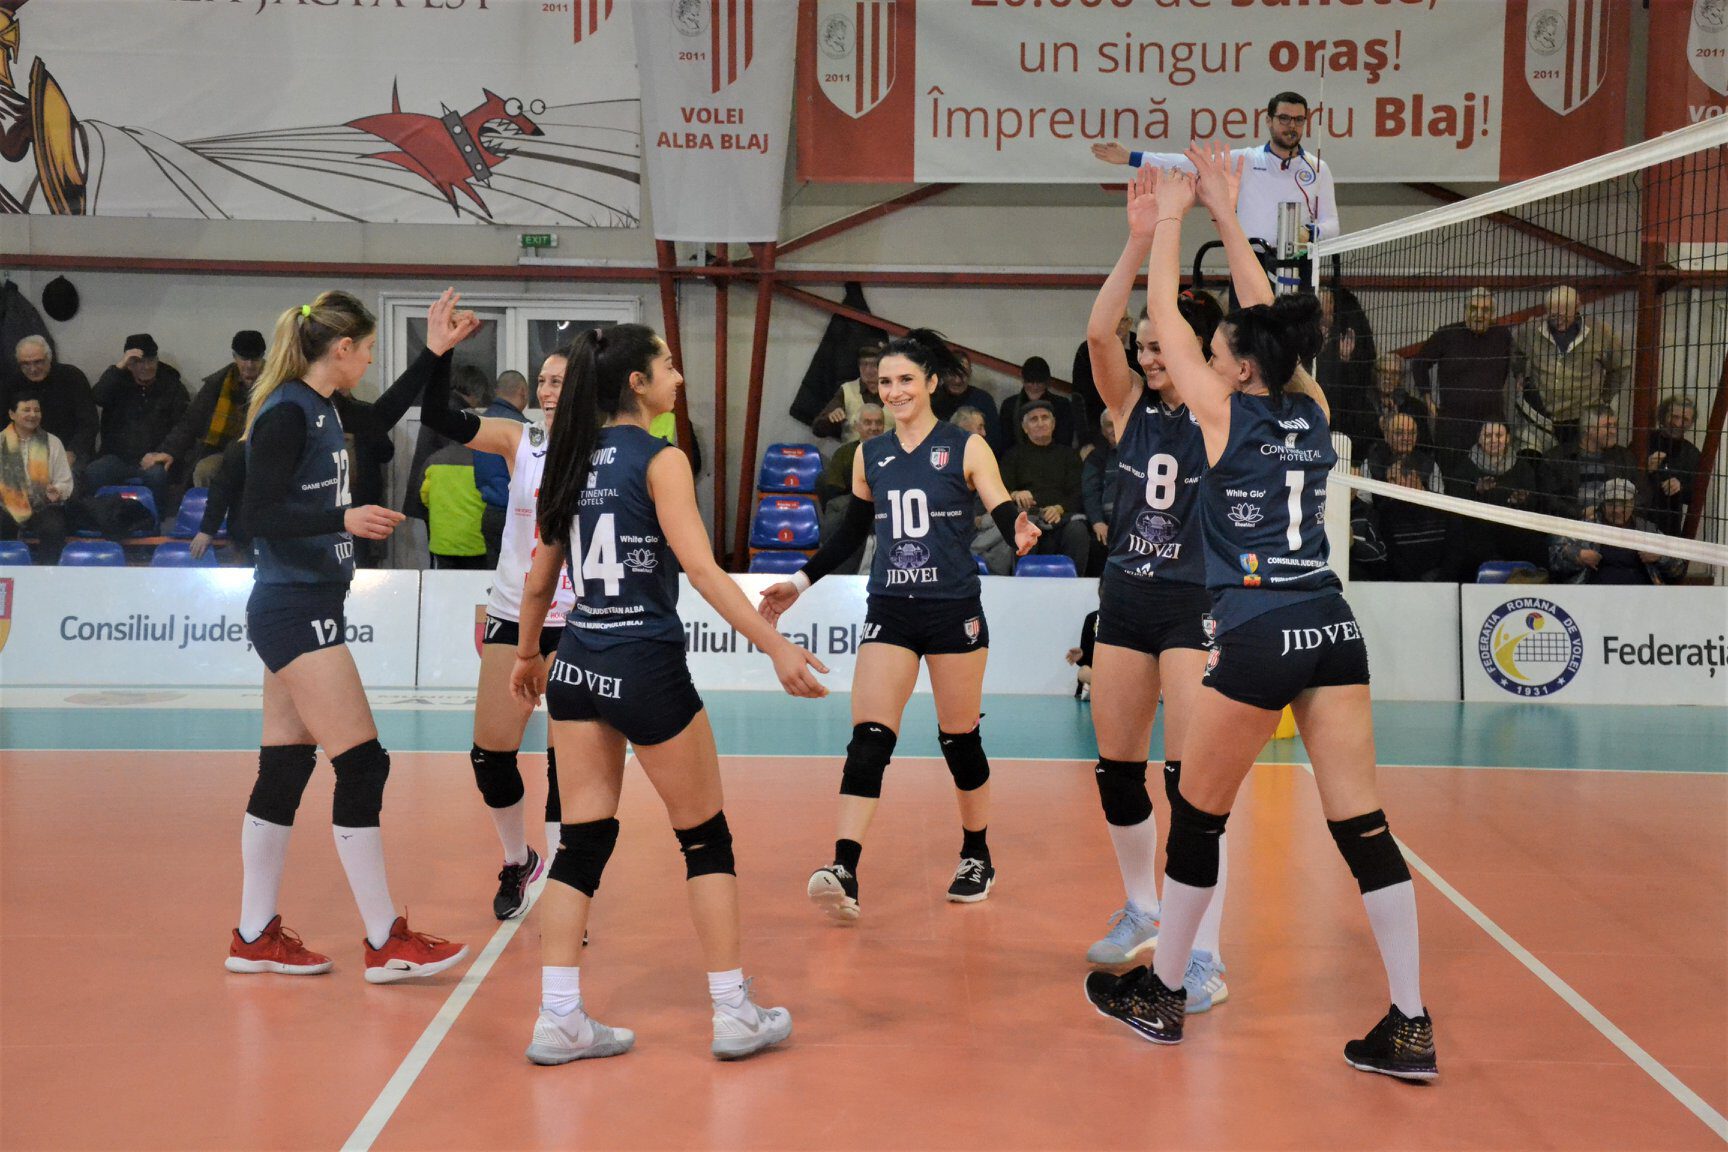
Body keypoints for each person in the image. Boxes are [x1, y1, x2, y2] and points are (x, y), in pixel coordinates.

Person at [1085, 148, 1435, 1082]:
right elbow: (1271, 320)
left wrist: (1171, 216)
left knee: (1197, 820)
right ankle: (1410, 1021)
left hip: (1256, 627)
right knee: (1364, 828)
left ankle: (1163, 994)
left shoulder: (1221, 414)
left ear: (1237, 370)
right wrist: (1230, 216)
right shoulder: (1311, 408)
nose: (1203, 358)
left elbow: (1167, 321)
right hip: (1332, 624)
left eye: (1218, 355)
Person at [510, 324, 826, 1064]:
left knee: (580, 843)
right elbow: (704, 572)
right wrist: (776, 645)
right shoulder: (662, 459)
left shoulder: (570, 455)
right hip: (644, 664)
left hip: (577, 664)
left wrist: (527, 654)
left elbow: (539, 578)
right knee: (705, 837)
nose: (678, 377)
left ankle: (559, 1018)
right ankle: (733, 1012)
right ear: (638, 384)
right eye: (668, 365)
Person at [224, 289, 476, 984]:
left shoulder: (327, 406)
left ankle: (253, 936)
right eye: (366, 350)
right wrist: (343, 518)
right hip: (292, 606)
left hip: (301, 602)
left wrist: (436, 352)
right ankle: (384, 940)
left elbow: (386, 413)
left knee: (284, 767)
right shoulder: (285, 412)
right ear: (340, 350)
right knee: (364, 765)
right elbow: (256, 515)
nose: (368, 361)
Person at [759, 329, 1040, 922]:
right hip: (890, 608)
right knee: (869, 738)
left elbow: (999, 503)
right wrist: (799, 583)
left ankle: (977, 854)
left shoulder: (966, 447)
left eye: (906, 379)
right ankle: (844, 867)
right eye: (886, 382)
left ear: (931, 382)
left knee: (959, 739)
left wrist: (1016, 526)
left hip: (953, 611)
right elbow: (849, 534)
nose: (894, 391)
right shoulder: (871, 455)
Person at [1078, 165, 1229, 1012]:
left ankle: (1203, 953)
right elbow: (1098, 333)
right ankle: (1142, 905)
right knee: (1116, 768)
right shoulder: (1129, 407)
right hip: (1127, 599)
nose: (1146, 353)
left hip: (1195, 602)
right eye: (1144, 347)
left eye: (1161, 343)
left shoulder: (1219, 409)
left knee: (1193, 788)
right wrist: (1138, 240)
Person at [416, 349, 574, 920]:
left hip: (579, 620)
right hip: (514, 614)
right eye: (542, 382)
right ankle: (517, 859)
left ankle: (564, 890)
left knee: (567, 765)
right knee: (489, 756)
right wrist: (439, 353)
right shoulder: (520, 441)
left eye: (560, 381)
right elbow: (437, 415)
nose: (548, 391)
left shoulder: (607, 452)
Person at [1092, 92, 1340, 266]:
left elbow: (1332, 225)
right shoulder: (1248, 159)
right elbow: (1189, 162)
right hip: (1251, 261)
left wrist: (1310, 232)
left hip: (1301, 264)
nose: (1291, 126)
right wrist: (1131, 157)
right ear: (1269, 120)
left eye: (1298, 119)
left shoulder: (1318, 168)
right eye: (1284, 118)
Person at [143, 329, 265, 491]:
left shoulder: (277, 384)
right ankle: (210, 508)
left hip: (262, 452)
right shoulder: (218, 384)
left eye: (255, 359)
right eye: (244, 358)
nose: (249, 365)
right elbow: (191, 422)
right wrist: (168, 451)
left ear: (262, 357)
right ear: (235, 357)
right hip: (222, 451)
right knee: (204, 471)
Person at [88, 334, 190, 518]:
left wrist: (162, 453)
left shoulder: (172, 386)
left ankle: (156, 521)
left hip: (155, 457)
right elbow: (97, 397)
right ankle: (100, 519)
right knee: (94, 472)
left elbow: (183, 427)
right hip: (117, 457)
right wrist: (118, 367)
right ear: (129, 364)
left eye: (151, 361)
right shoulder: (117, 382)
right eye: (139, 362)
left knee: (157, 476)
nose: (147, 367)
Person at [1511, 287, 1625, 451]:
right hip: (1542, 416)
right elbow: (1516, 353)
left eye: (1563, 316)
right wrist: (1521, 375)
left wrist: (1605, 397)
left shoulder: (1600, 332)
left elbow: (1621, 366)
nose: (1558, 321)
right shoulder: (1530, 330)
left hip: (1582, 418)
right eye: (1553, 316)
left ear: (1577, 307)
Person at [1410, 289, 1515, 462]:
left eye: (1485, 310)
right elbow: (1419, 364)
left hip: (1491, 425)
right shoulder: (1446, 334)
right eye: (1473, 308)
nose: (1478, 315)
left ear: (1493, 314)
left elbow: (1505, 371)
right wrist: (1429, 401)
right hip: (1453, 425)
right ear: (1465, 310)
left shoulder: (1503, 335)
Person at [1442, 421, 1546, 577]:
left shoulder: (1523, 468)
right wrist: (1477, 492)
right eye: (1488, 435)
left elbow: (1534, 502)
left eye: (1499, 435)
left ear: (1508, 438)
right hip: (1476, 536)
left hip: (1514, 533)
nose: (1494, 440)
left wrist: (1520, 501)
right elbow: (1455, 503)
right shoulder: (1464, 467)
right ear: (1479, 438)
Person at [1000, 400, 1090, 574]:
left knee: (1078, 531)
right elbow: (1000, 490)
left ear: (1053, 424)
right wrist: (1015, 494)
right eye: (1034, 419)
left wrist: (1059, 508)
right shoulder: (1012, 456)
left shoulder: (1069, 455)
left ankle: (1075, 586)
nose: (1040, 423)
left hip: (1061, 518)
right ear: (1025, 428)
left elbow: (1079, 492)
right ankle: (1022, 585)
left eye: (1045, 418)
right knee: (1024, 532)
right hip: (1029, 517)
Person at [1358, 413, 1448, 581]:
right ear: (1386, 435)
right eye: (1399, 433)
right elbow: (1364, 504)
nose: (1406, 438)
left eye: (1411, 433)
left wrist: (1422, 492)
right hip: (1385, 539)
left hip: (1423, 538)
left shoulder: (1429, 464)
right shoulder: (1371, 463)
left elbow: (1441, 503)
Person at [1550, 477, 1687, 585]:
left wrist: (1660, 557)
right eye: (1611, 504)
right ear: (1602, 505)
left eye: (1624, 504)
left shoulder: (1647, 530)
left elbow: (1679, 568)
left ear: (1633, 504)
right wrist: (1578, 556)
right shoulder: (1586, 528)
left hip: (1642, 599)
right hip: (1594, 597)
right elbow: (1554, 557)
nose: (1618, 510)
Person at [1, 390, 74, 561]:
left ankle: (47, 572)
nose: (33, 415)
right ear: (12, 414)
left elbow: (64, 481)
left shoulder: (53, 442)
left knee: (54, 527)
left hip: (43, 504)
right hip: (6, 505)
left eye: (37, 410)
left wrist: (57, 491)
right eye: (26, 410)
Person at [9, 335, 96, 478]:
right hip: (25, 452)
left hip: (70, 451)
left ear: (49, 358)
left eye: (38, 362)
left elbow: (88, 424)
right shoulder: (13, 383)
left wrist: (71, 453)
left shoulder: (72, 377)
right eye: (25, 364)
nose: (32, 369)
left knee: (64, 480)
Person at [1537, 404, 1641, 518]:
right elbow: (1547, 498)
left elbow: (1642, 494)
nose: (1613, 431)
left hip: (1614, 522)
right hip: (1572, 522)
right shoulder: (1557, 457)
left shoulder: (1624, 457)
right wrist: (1579, 513)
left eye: (1615, 426)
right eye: (1607, 426)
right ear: (1588, 429)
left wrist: (1617, 513)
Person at [474, 369, 532, 567]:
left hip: (490, 514)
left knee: (494, 576)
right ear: (523, 391)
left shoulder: (479, 424)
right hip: (519, 516)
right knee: (521, 576)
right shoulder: (524, 429)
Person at [1646, 396, 1702, 536]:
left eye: (1685, 419)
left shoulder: (1692, 453)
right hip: (1639, 522)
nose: (1677, 423)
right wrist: (1645, 470)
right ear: (1663, 416)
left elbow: (1696, 494)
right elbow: (1625, 479)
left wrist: (1680, 487)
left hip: (1669, 527)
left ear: (1691, 423)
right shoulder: (1644, 442)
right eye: (1674, 417)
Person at [930, 348, 1004, 452]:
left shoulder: (983, 400)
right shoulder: (932, 399)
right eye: (952, 373)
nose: (957, 380)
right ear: (943, 373)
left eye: (963, 374)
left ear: (970, 373)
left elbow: (994, 443)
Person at [998, 356, 1075, 451]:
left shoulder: (1062, 405)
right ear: (1022, 379)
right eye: (1030, 381)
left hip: (1054, 456)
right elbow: (1005, 442)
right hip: (1018, 457)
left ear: (1047, 382)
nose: (1035, 386)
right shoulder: (1009, 405)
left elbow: (1064, 441)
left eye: (1039, 382)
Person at [810, 344, 884, 440]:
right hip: (853, 449)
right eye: (864, 364)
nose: (868, 370)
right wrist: (830, 419)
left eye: (874, 365)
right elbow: (817, 430)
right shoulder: (847, 390)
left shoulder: (896, 392)